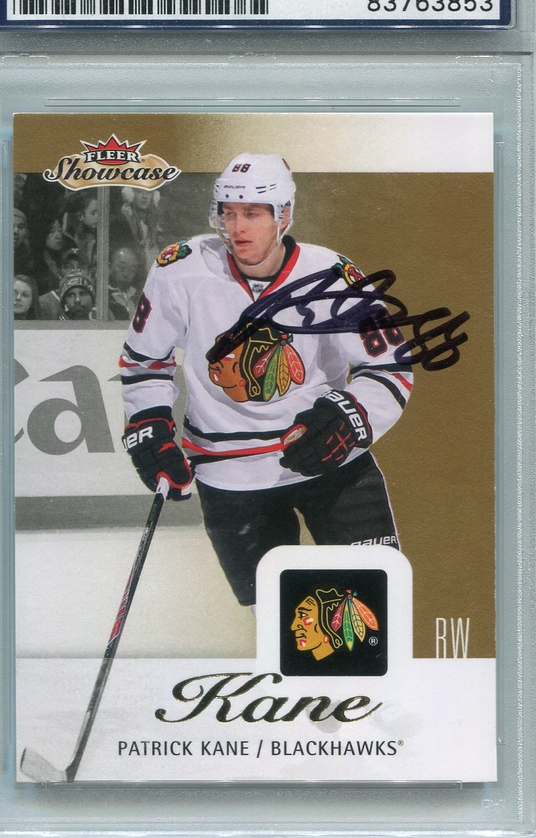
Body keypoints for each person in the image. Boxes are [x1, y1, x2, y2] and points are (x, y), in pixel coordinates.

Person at [120, 153, 413, 608]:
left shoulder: (332, 275)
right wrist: (150, 425)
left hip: (332, 463)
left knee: (372, 614)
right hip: (230, 475)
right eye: (229, 213)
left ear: (284, 214)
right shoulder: (181, 269)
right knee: (286, 627)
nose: (238, 227)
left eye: (253, 213)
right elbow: (144, 362)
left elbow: (391, 367)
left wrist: (350, 417)